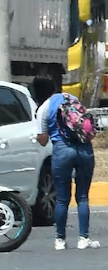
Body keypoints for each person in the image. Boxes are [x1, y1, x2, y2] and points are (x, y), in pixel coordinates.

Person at [37, 91, 99, 250]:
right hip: (84, 149)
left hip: (62, 150)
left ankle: (60, 240)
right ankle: (83, 238)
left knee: (62, 198)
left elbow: (43, 141)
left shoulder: (44, 107)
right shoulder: (72, 99)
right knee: (83, 196)